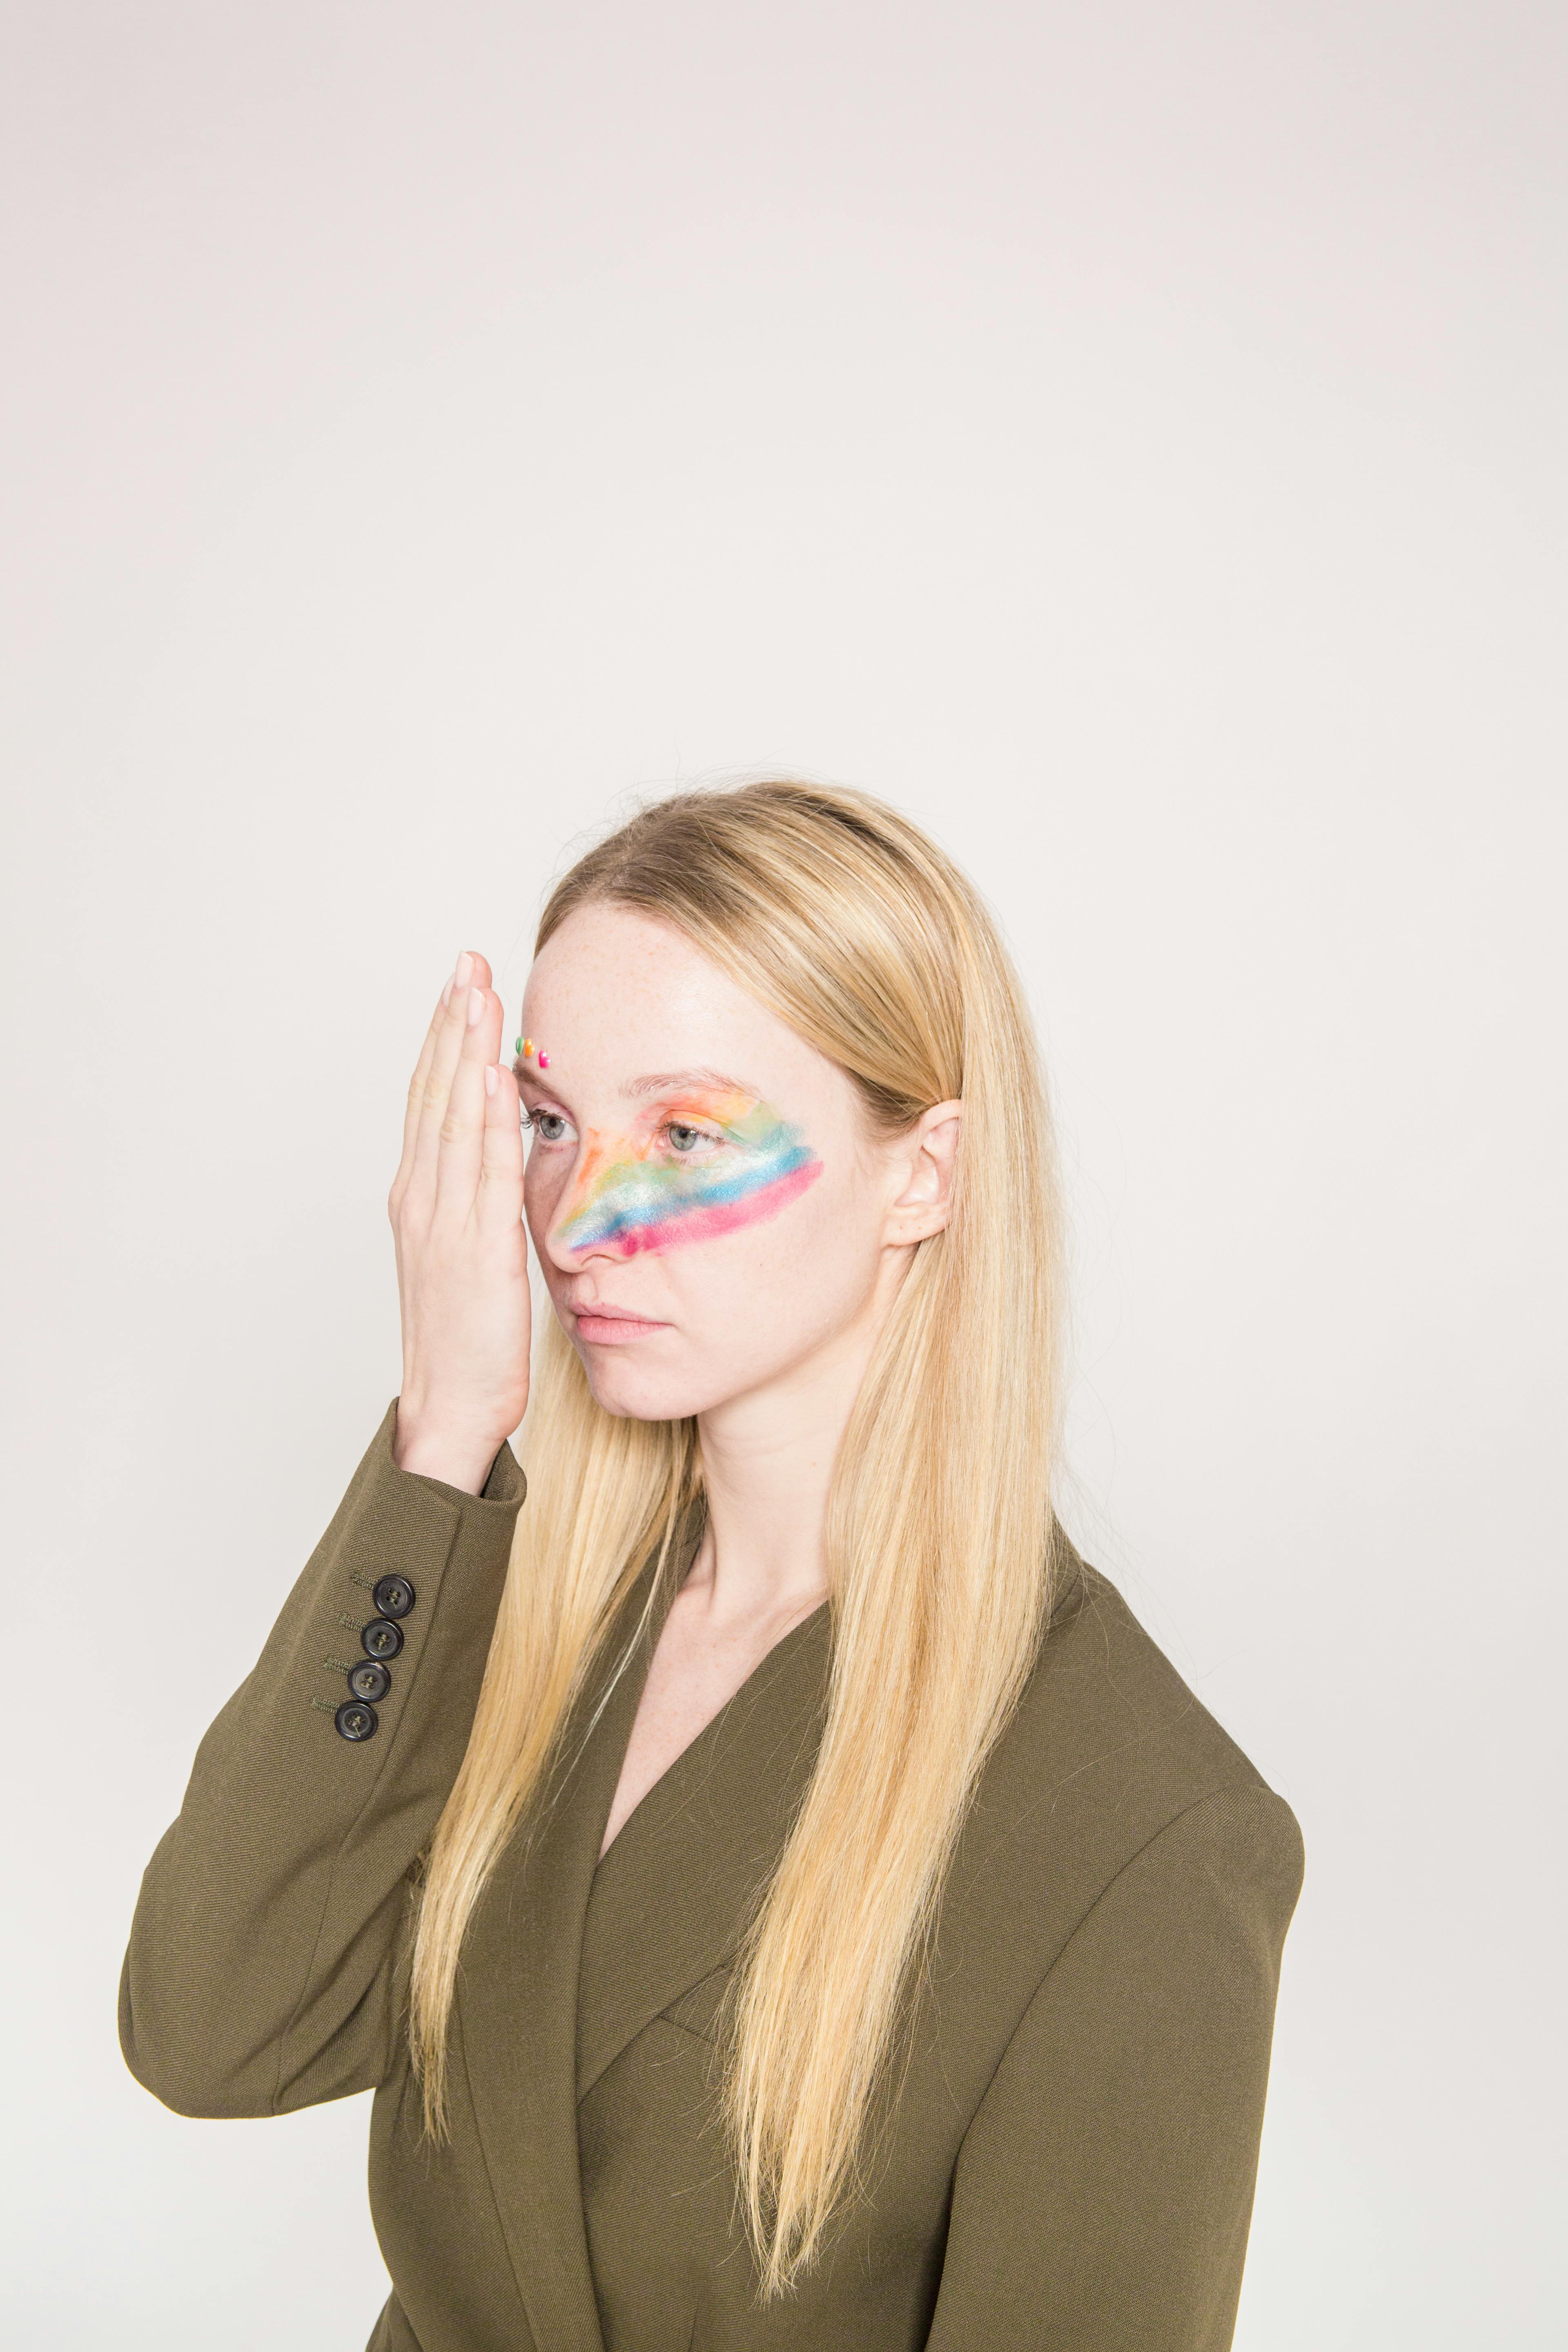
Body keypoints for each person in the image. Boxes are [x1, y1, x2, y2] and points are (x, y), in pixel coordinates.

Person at [119, 777, 1303, 2352]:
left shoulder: (1143, 1822)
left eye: (685, 1133)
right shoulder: (533, 1617)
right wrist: (445, 1435)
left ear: (923, 1174)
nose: (579, 1220)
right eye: (550, 1123)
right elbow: (211, 2029)